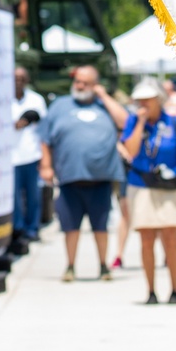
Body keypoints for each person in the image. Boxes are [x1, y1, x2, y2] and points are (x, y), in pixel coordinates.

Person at [38, 65, 126, 282]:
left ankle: (104, 266)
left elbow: (125, 122)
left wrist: (104, 96)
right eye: (77, 81)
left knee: (101, 226)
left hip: (101, 178)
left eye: (85, 83)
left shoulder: (104, 105)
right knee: (70, 226)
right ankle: (70, 266)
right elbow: (45, 140)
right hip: (69, 177)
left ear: (95, 85)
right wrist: (46, 166)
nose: (79, 86)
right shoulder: (60, 106)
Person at [121, 79, 176, 304]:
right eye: (139, 100)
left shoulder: (174, 122)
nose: (143, 104)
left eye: (148, 100)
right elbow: (131, 151)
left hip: (169, 185)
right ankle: (151, 291)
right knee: (146, 238)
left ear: (159, 100)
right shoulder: (133, 122)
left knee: (170, 237)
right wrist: (140, 122)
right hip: (142, 184)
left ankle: (174, 289)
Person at [11, 67, 47, 251]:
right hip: (11, 156)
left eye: (22, 78)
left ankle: (32, 229)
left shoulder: (36, 100)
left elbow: (43, 127)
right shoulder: (4, 99)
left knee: (33, 195)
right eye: (15, 78)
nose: (18, 81)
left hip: (31, 154)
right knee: (14, 197)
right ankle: (18, 229)